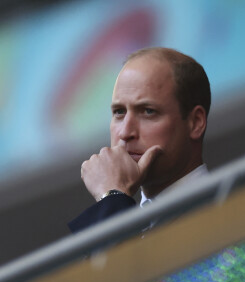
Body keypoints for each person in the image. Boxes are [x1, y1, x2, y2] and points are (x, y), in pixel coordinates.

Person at [68, 47, 211, 233]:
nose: (125, 132)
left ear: (195, 123)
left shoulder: (224, 211)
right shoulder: (131, 218)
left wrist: (112, 198)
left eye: (148, 111)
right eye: (119, 112)